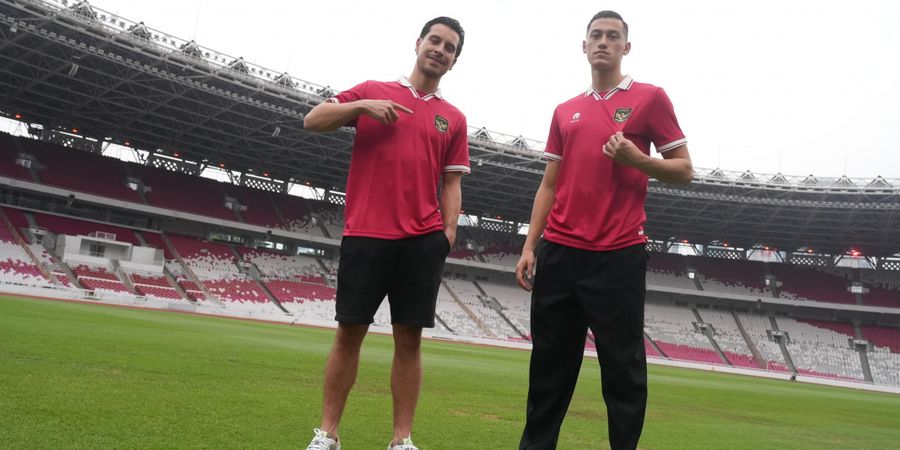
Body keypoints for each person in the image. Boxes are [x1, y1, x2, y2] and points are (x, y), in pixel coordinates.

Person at [516, 10, 693, 450]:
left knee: (623, 373)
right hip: (559, 253)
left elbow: (685, 170)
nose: (603, 42)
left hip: (618, 255)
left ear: (626, 48)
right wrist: (529, 246)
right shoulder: (565, 111)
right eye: (596, 35)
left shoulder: (651, 98)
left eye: (613, 36)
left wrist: (640, 161)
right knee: (548, 373)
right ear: (583, 45)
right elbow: (549, 184)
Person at [301, 16, 469, 450]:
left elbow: (452, 182)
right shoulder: (374, 90)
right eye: (435, 40)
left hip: (422, 241)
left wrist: (447, 232)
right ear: (418, 43)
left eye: (450, 47)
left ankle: (401, 440)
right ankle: (328, 434)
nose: (440, 49)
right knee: (348, 334)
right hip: (366, 234)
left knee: (409, 342)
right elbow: (313, 120)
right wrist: (360, 108)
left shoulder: (453, 118)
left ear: (453, 62)